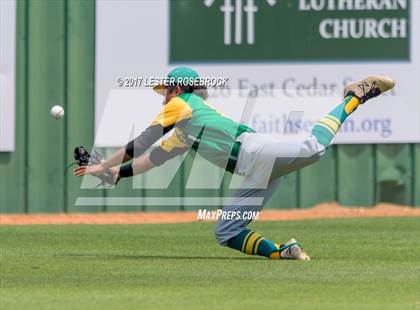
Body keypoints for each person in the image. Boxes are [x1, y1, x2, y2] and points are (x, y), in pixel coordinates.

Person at [74, 67, 394, 260]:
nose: (164, 96)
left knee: (314, 148)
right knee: (226, 231)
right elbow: (152, 158)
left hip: (254, 152)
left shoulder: (183, 104)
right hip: (254, 169)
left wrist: (103, 167)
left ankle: (355, 96)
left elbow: (140, 143)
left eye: (167, 89)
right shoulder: (186, 130)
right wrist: (116, 174)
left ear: (181, 89)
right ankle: (285, 251)